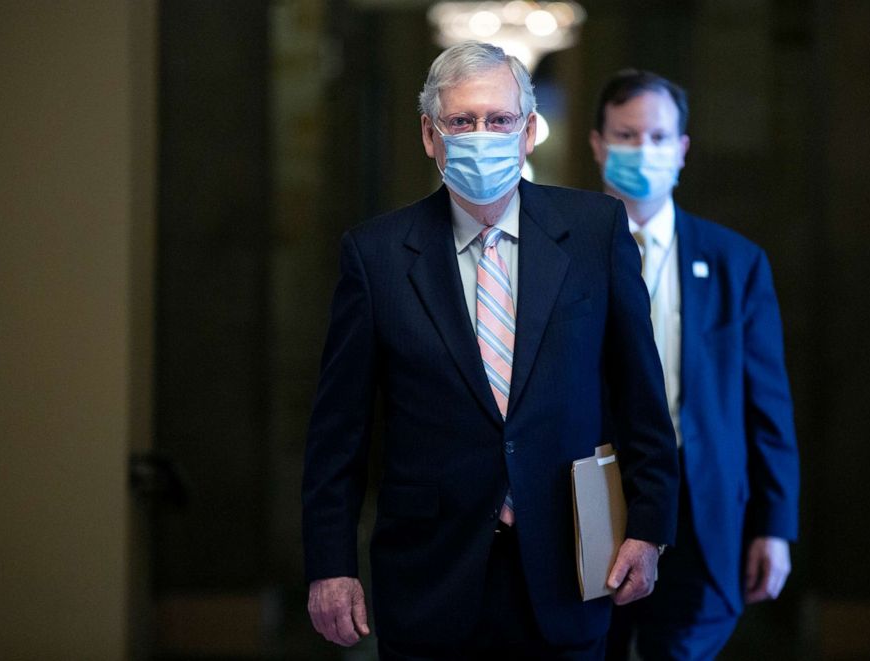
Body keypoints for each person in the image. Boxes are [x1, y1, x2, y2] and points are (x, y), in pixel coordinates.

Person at [302, 43, 680, 660]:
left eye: (500, 120)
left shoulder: (594, 233)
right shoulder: (376, 256)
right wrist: (329, 565)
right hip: (429, 576)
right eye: (462, 121)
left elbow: (641, 395)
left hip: (570, 567)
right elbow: (337, 434)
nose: (483, 135)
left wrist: (649, 528)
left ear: (528, 131)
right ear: (430, 135)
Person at [590, 70, 800, 660]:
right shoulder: (559, 254)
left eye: (658, 137)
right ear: (599, 145)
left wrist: (775, 525)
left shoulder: (734, 261)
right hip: (592, 500)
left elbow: (768, 405)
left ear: (682, 149)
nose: (644, 150)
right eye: (627, 136)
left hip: (702, 508)